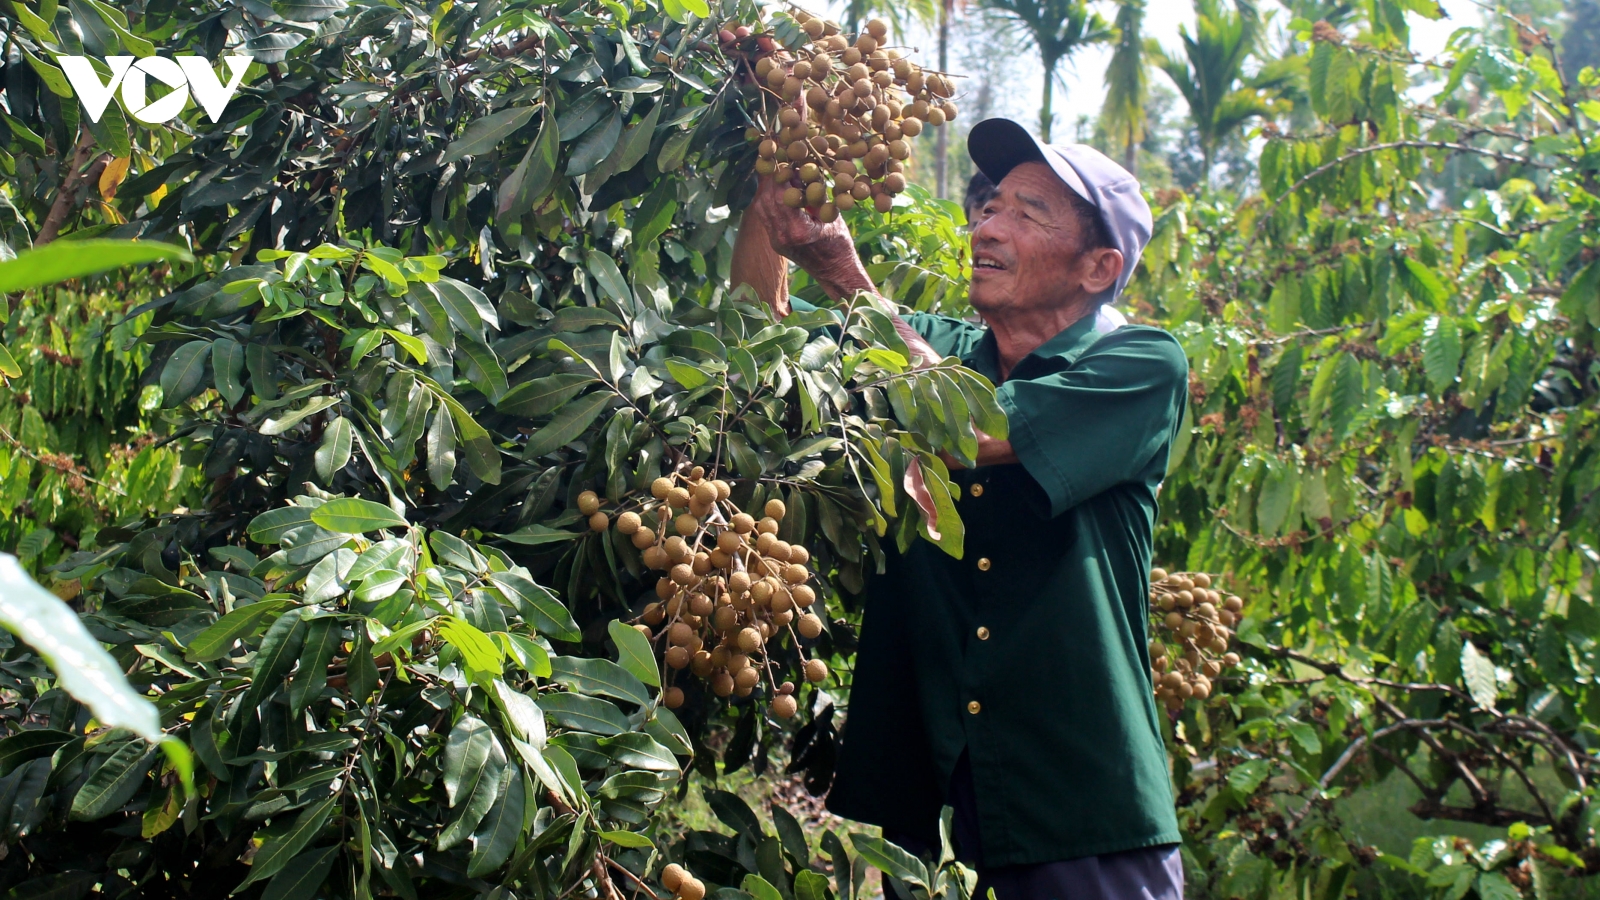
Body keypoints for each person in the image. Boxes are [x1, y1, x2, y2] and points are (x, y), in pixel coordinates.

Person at [729, 117, 1189, 900]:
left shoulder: (1141, 365)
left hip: (1077, 803)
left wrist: (843, 270)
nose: (987, 227)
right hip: (930, 805)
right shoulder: (927, 342)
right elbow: (755, 339)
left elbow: (964, 427)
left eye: (1028, 213)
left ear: (1098, 266)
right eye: (989, 206)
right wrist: (769, 177)